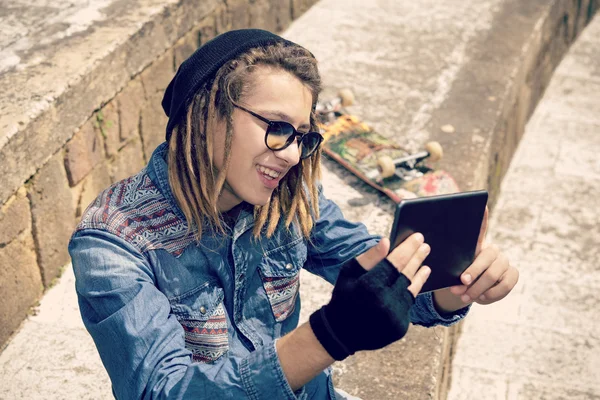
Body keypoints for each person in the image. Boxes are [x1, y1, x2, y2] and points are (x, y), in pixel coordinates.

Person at [68, 29, 518, 399]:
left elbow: (381, 283)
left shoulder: (291, 199)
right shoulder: (113, 241)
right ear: (206, 114)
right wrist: (329, 334)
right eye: (278, 129)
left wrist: (455, 289)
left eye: (302, 137)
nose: (291, 155)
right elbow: (164, 391)